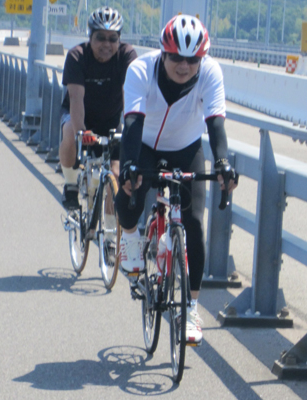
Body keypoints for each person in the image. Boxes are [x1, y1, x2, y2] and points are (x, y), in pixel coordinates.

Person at [115, 15, 238, 345]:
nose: (184, 66)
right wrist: (128, 166)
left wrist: (223, 162)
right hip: (145, 144)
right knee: (130, 193)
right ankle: (129, 239)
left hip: (187, 148)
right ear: (163, 53)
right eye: (176, 58)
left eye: (192, 59)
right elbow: (133, 124)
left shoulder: (209, 73)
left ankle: (191, 309)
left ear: (202, 58)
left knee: (195, 222)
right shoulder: (141, 70)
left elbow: (215, 123)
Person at [59, 6, 137, 210]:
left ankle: (110, 232)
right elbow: (76, 99)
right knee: (68, 131)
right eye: (100, 37)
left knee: (117, 175)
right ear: (90, 37)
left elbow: (128, 96)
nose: (107, 44)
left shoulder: (127, 56)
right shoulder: (78, 56)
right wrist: (81, 132)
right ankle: (70, 185)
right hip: (79, 118)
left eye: (113, 39)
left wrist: (131, 131)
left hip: (111, 121)